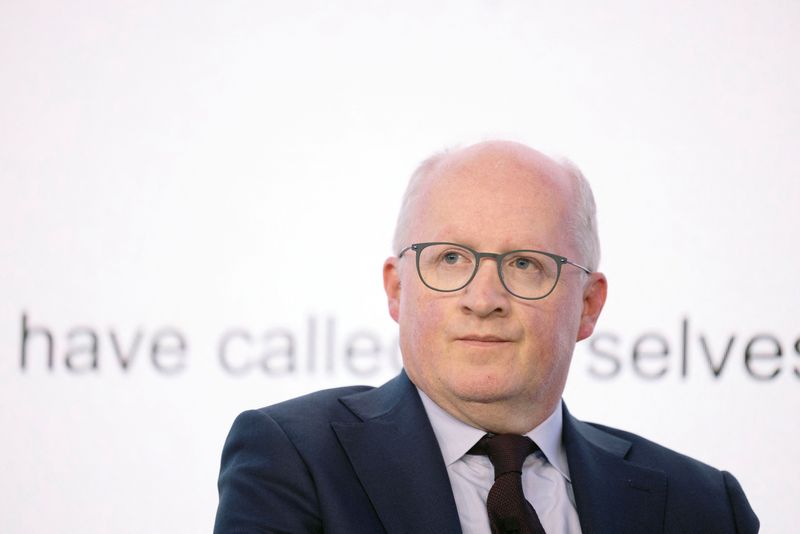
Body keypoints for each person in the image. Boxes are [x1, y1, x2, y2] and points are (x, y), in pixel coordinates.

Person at [213, 140, 759, 533]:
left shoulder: (704, 507)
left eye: (525, 264)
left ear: (588, 306)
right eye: (450, 258)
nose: (484, 298)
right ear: (397, 291)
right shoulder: (293, 459)